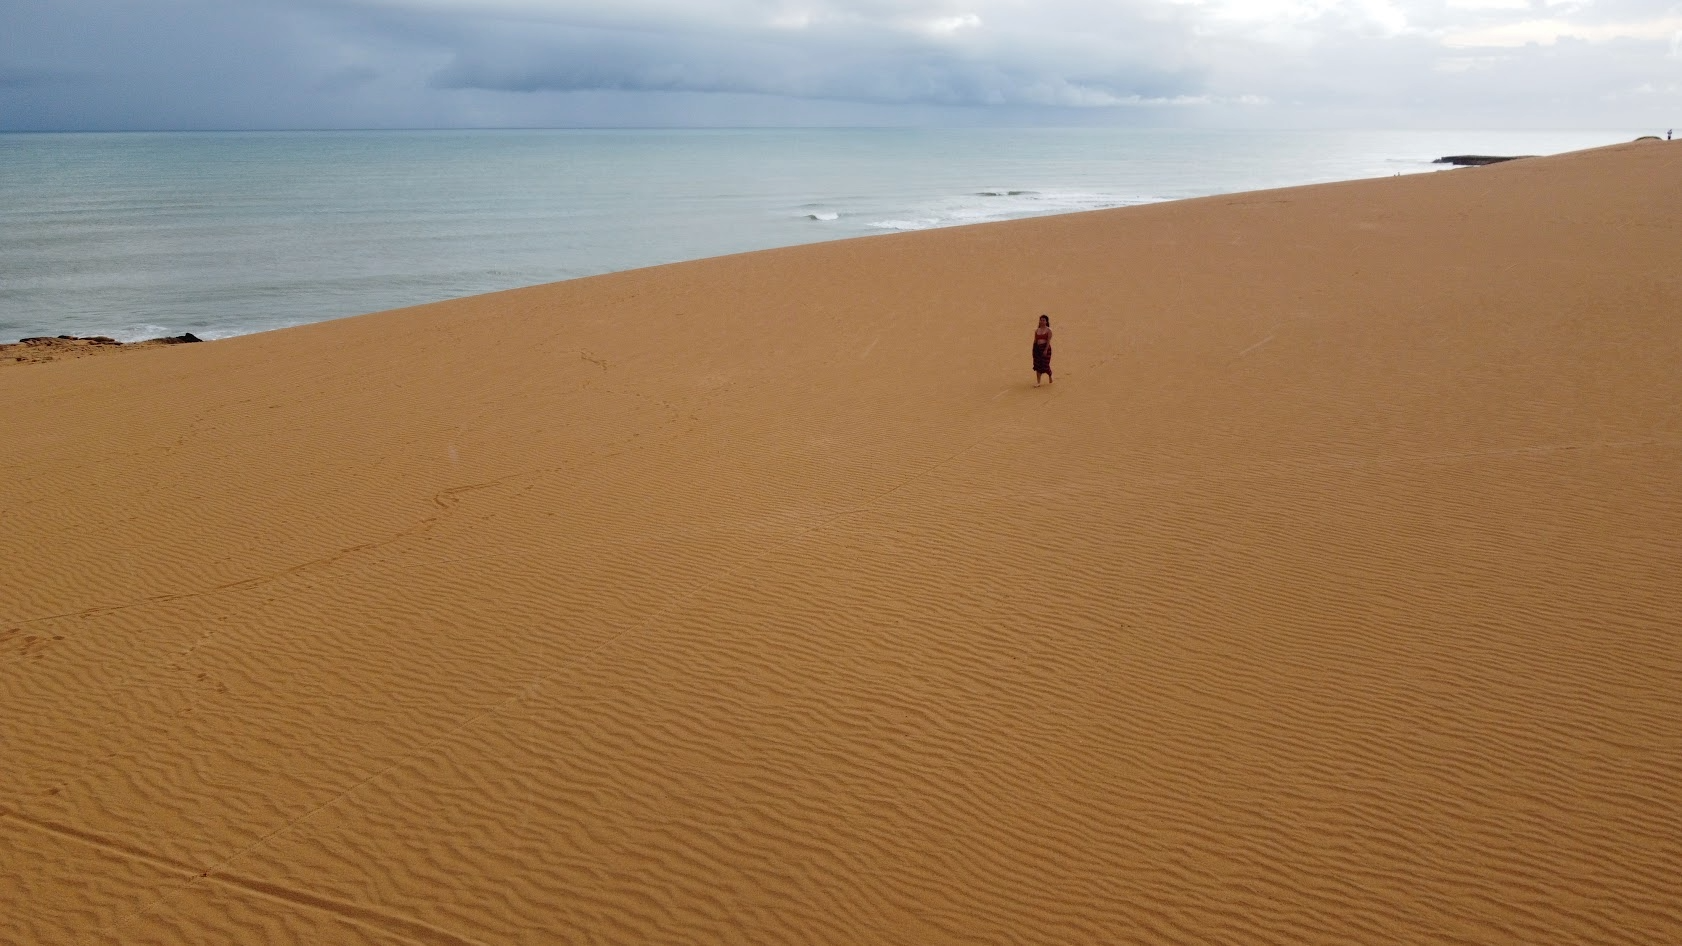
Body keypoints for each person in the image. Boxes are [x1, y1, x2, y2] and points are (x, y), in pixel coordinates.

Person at [1032, 315, 1053, 386]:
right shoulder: (1037, 330)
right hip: (1038, 349)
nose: (1042, 321)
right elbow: (1035, 341)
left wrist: (1046, 350)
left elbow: (1048, 341)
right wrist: (1033, 350)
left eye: (1043, 320)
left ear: (1046, 321)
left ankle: (1050, 375)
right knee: (1037, 365)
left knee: (1045, 364)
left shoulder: (1049, 330)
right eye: (1041, 320)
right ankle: (1038, 382)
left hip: (1045, 348)